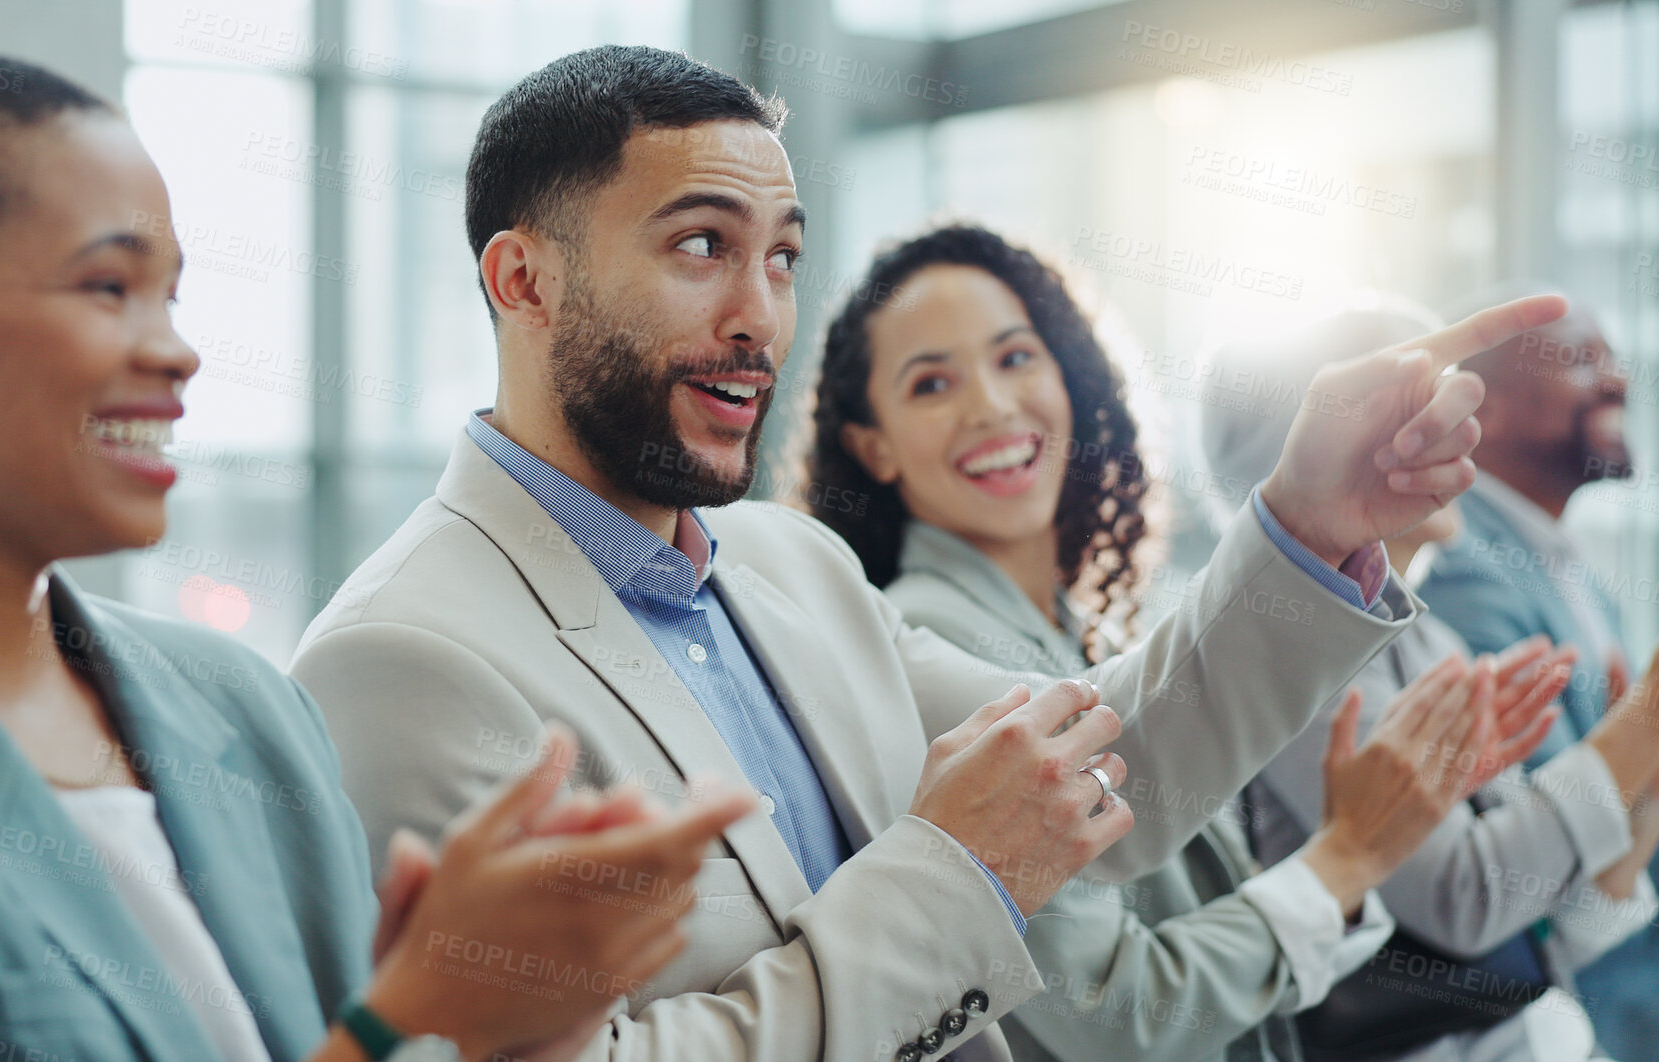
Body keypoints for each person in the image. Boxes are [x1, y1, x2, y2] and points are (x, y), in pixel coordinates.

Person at [291, 45, 1565, 1061]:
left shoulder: (788, 565)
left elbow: (1102, 776)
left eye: (781, 257)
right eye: (699, 247)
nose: (759, 318)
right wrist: (951, 875)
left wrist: (1308, 521)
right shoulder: (398, 656)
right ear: (522, 281)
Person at [0, 55, 756, 1062]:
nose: (177, 352)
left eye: (170, 296)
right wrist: (416, 1019)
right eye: (108, 285)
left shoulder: (244, 706)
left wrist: (526, 1019)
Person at [803, 225, 1570, 1062]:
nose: (989, 403)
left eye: (1016, 357)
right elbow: (1117, 1010)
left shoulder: (1084, 628)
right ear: (869, 444)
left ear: (1070, 376)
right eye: (931, 383)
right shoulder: (938, 638)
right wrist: (1348, 857)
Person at [1202, 303, 1659, 1062]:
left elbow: (1564, 923)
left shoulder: (1426, 636)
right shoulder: (1297, 648)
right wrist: (1638, 727)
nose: (1464, 434)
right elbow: (1465, 900)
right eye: (1423, 408)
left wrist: (1637, 798)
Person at [1412, 293, 1658, 1060]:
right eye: (1583, 359)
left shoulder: (1558, 561)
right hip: (1588, 1008)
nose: (1616, 382)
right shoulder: (1456, 566)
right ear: (1483, 406)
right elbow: (1556, 849)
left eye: (1612, 358)